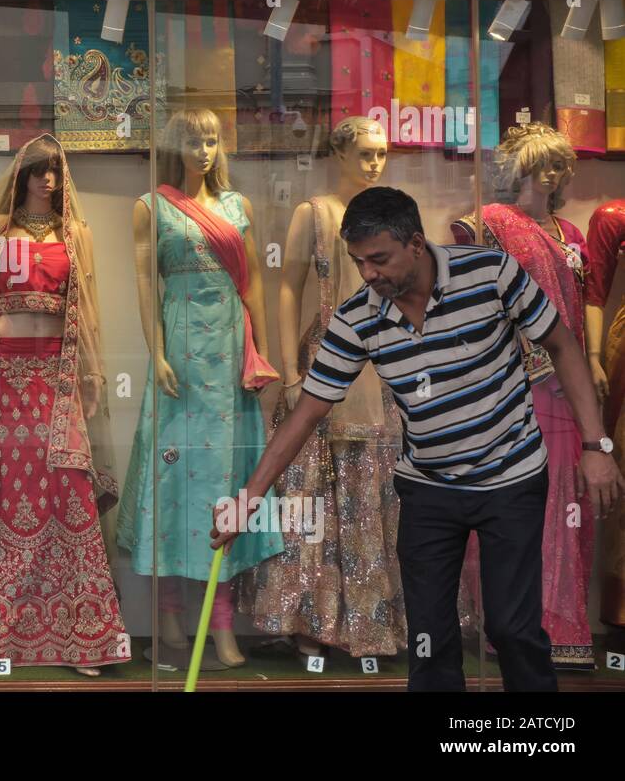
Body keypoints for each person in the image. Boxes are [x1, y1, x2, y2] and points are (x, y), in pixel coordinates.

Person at [211, 186, 623, 691]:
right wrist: (251, 497)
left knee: (513, 630)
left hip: (511, 479)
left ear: (415, 243)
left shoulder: (491, 273)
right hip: (428, 489)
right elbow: (305, 416)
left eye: (379, 259)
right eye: (358, 262)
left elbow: (563, 344)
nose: (368, 274)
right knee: (428, 638)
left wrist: (595, 444)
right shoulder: (356, 318)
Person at [0, 134, 128, 675]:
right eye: (38, 170)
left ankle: (81, 634)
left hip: (56, 374)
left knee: (67, 486)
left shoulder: (74, 234)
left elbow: (92, 308)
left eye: (55, 170)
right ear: (22, 176)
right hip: (5, 373)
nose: (47, 179)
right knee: (1, 486)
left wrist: (93, 370)